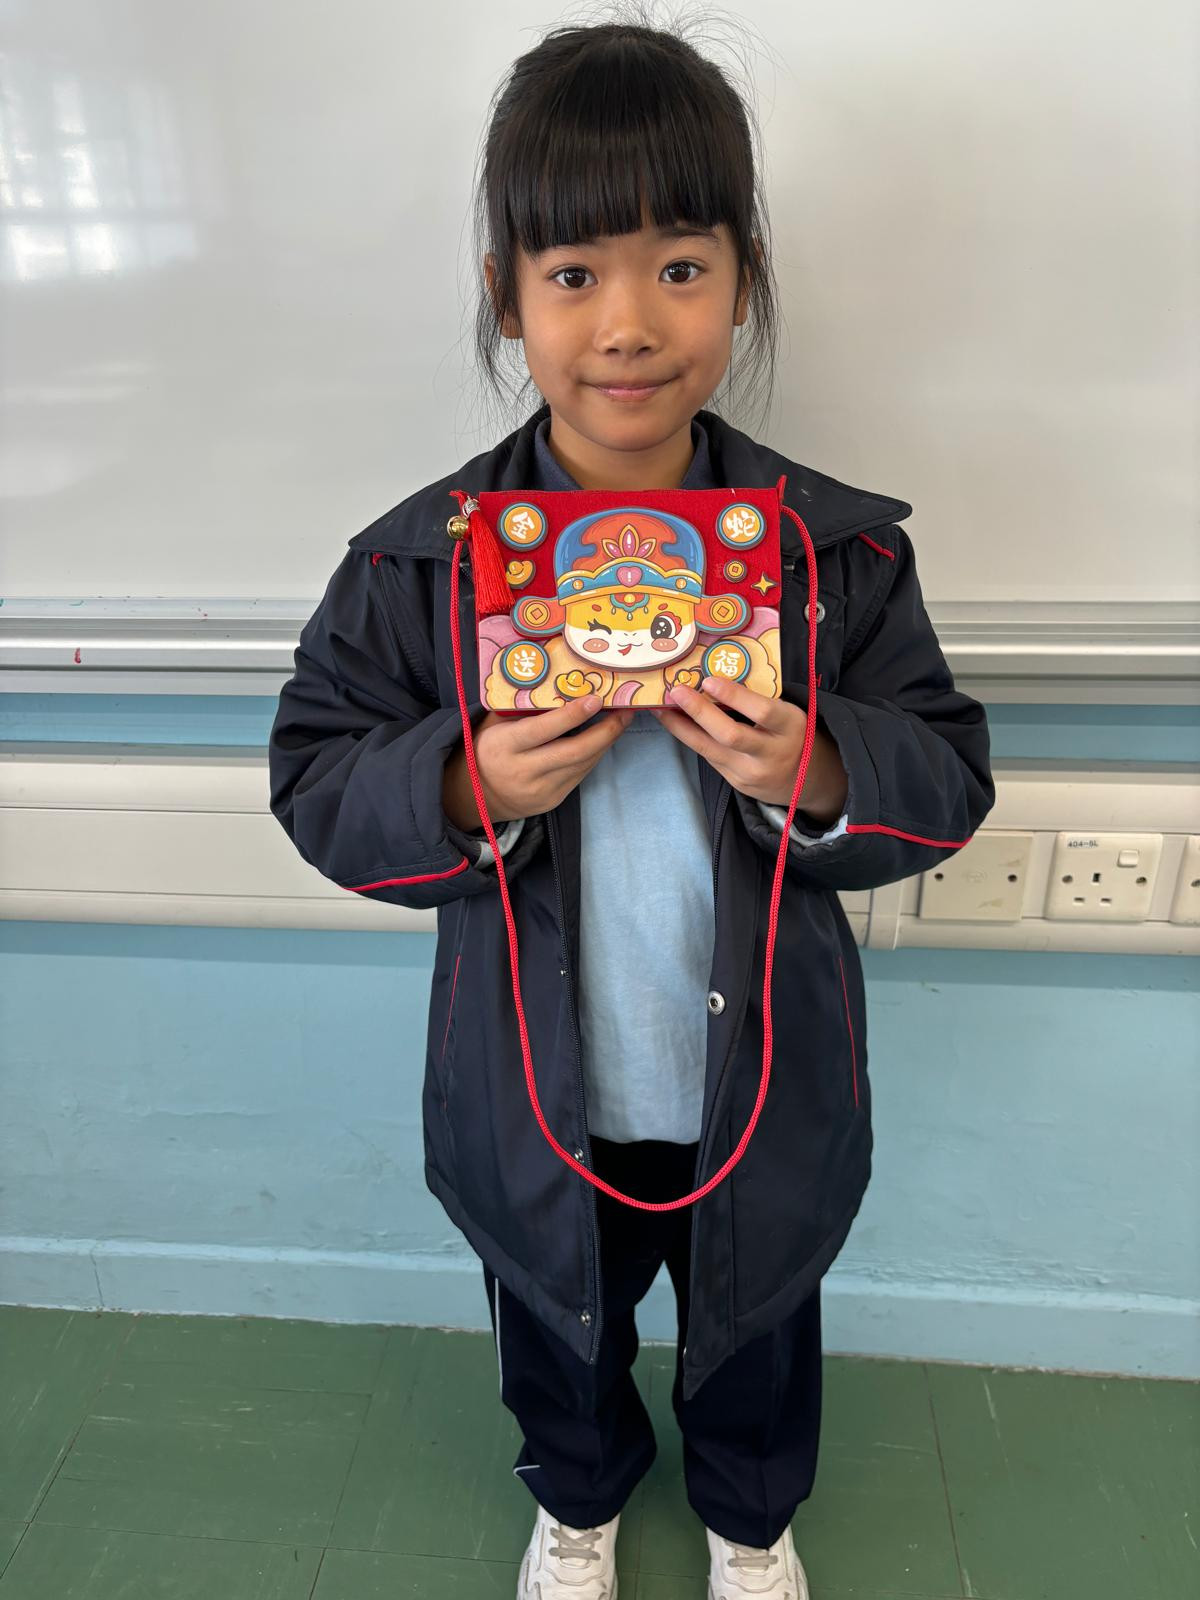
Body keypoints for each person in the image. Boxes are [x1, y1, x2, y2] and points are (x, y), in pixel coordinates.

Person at [267, 14, 995, 1599]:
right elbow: (315, 774)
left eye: (680, 267)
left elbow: (948, 773)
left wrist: (819, 769)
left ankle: (750, 1517)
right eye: (573, 273)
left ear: (744, 280)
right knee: (554, 1319)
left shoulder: (833, 553)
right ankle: (578, 1501)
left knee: (762, 1320)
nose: (628, 324)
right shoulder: (423, 561)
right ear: (506, 297)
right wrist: (463, 783)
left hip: (758, 1079)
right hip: (536, 1083)